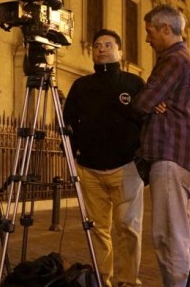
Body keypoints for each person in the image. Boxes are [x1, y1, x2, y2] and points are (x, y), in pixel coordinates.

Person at [131, 4, 190, 287]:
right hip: (181, 158)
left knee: (168, 239)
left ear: (165, 29)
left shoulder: (174, 60)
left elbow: (143, 102)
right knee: (179, 237)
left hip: (171, 157)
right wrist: (152, 101)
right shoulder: (184, 60)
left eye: (150, 31)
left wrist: (149, 100)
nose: (147, 38)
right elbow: (151, 102)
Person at [63, 29, 146, 287]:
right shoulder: (80, 86)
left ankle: (127, 281)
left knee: (127, 227)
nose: (101, 49)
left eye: (108, 45)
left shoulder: (134, 84)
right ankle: (103, 280)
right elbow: (66, 125)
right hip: (90, 170)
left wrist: (143, 159)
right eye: (97, 45)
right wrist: (73, 158)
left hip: (127, 168)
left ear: (120, 52)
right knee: (98, 230)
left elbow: (148, 122)